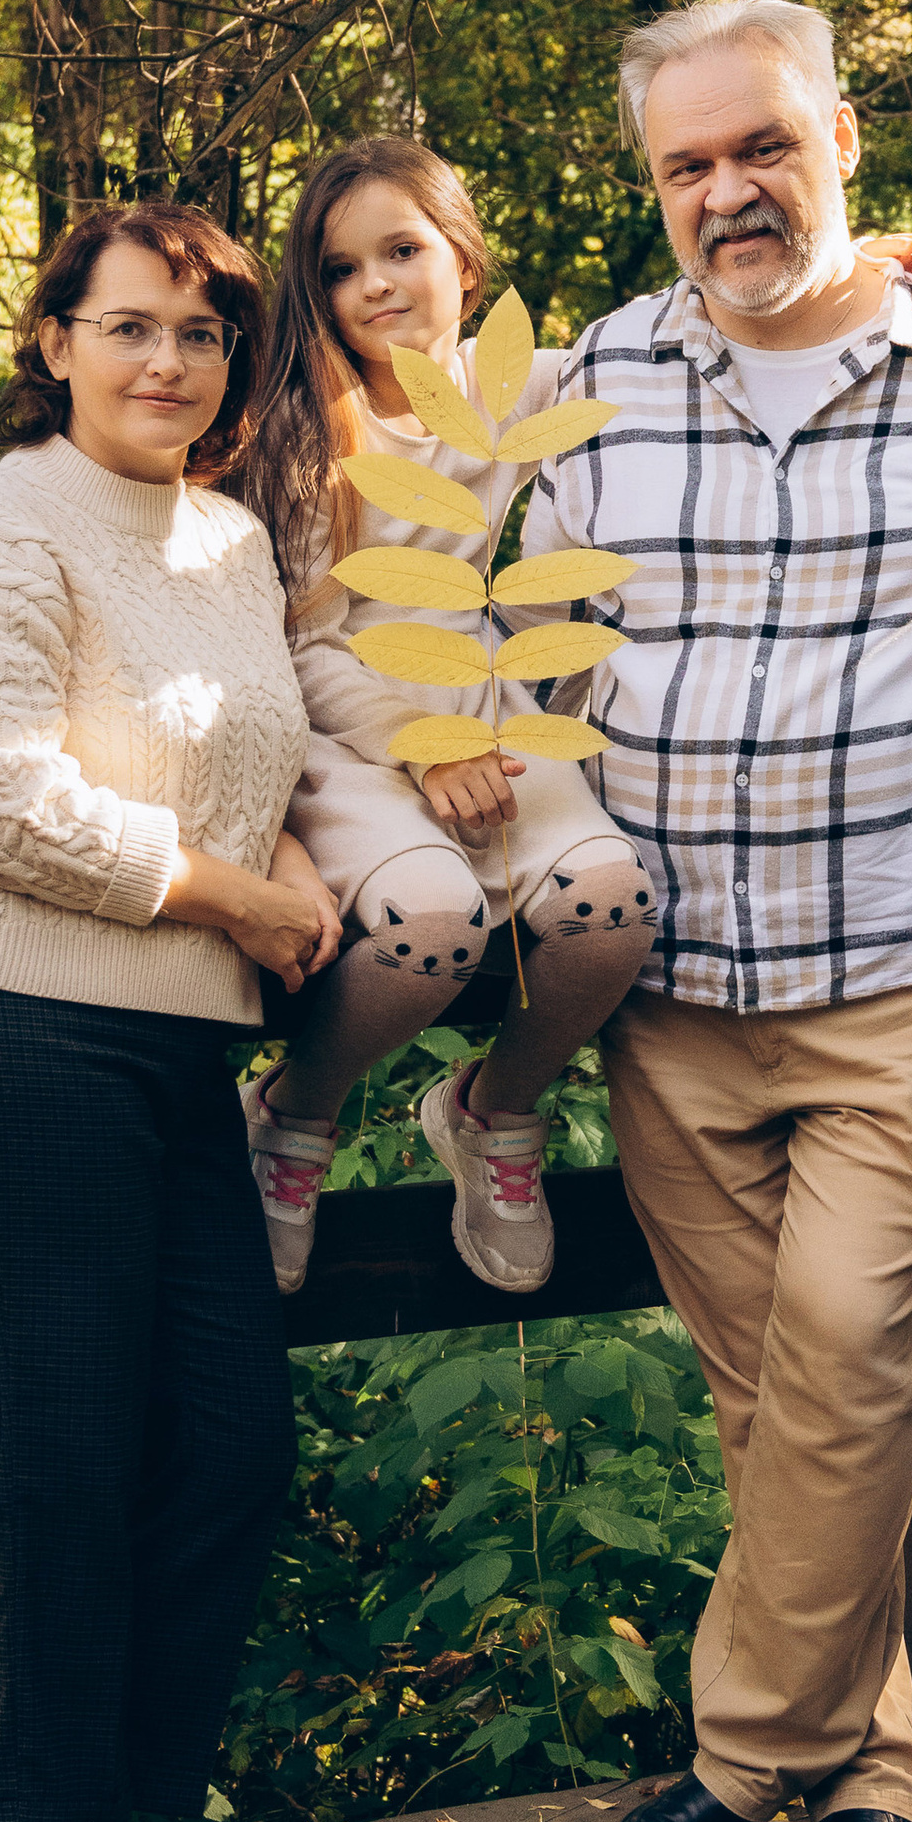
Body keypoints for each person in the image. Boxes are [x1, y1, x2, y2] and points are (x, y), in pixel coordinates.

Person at [523, 0, 912, 1822]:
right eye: (685, 166)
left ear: (839, 136)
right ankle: (877, 1780)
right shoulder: (590, 382)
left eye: (759, 148)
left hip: (895, 976)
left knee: (849, 1363)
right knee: (770, 1407)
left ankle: (729, 1769)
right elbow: (510, 663)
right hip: (669, 1001)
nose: (726, 193)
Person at [0, 201, 335, 1822]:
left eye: (202, 337)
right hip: (7, 1028)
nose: (167, 364)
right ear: (53, 340)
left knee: (222, 1447)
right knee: (68, 1460)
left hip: (168, 1054)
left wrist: (280, 857)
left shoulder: (223, 539)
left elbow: (258, 757)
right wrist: (232, 894)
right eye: (128, 327)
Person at [236, 138, 659, 1296]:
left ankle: (492, 1110)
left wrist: (866, 263)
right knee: (431, 928)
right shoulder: (304, 436)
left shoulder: (516, 385)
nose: (373, 284)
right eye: (338, 267)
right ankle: (293, 1117)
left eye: (402, 250)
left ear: (463, 263)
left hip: (492, 711)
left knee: (614, 909)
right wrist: (424, 750)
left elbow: (691, 348)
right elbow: (308, 644)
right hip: (360, 734)